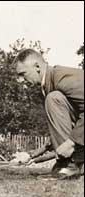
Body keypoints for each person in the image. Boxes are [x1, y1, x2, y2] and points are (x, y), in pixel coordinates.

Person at [13, 48, 84, 177]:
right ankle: (70, 164)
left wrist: (71, 143)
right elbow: (64, 128)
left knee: (53, 99)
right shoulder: (48, 84)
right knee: (53, 98)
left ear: (37, 67)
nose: (21, 80)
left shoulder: (61, 77)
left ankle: (72, 164)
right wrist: (34, 154)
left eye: (23, 74)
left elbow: (69, 137)